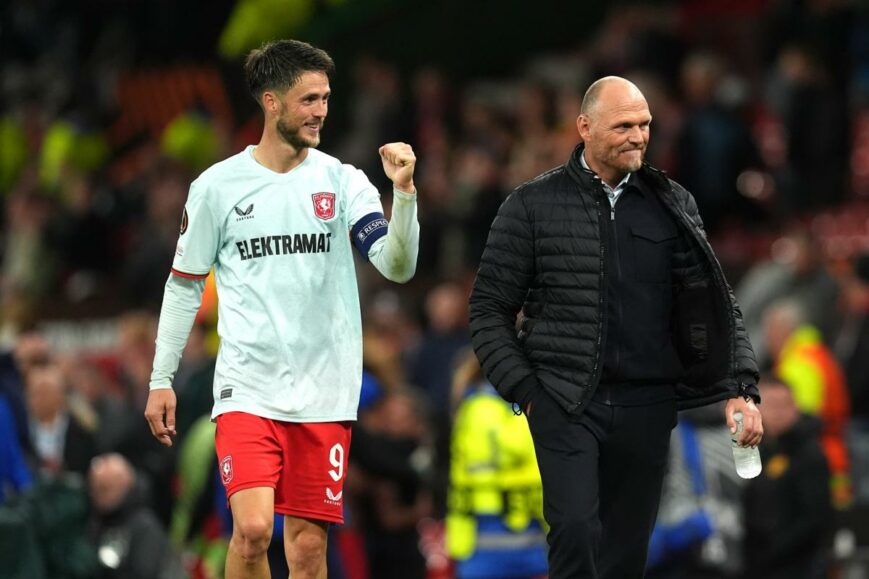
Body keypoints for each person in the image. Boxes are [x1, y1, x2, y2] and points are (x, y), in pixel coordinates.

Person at [143, 39, 419, 579]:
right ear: (271, 102)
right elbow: (183, 285)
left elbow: (396, 265)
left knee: (308, 551)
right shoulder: (217, 188)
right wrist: (161, 377)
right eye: (309, 99)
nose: (321, 111)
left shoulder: (342, 182)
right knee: (250, 531)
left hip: (324, 391)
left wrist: (404, 195)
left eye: (325, 98)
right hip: (247, 387)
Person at [468, 76, 763, 579]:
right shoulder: (530, 206)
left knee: (626, 553)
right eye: (624, 125)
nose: (638, 136)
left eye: (644, 125)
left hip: (647, 404)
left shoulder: (674, 203)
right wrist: (527, 391)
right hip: (565, 401)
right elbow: (488, 310)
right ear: (584, 127)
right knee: (575, 531)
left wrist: (741, 387)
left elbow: (715, 301)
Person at [742, 378, 832, 579]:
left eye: (786, 405)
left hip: (796, 566)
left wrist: (771, 551)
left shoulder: (809, 453)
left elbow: (815, 517)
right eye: (773, 405)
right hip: (758, 564)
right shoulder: (756, 449)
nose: (780, 412)